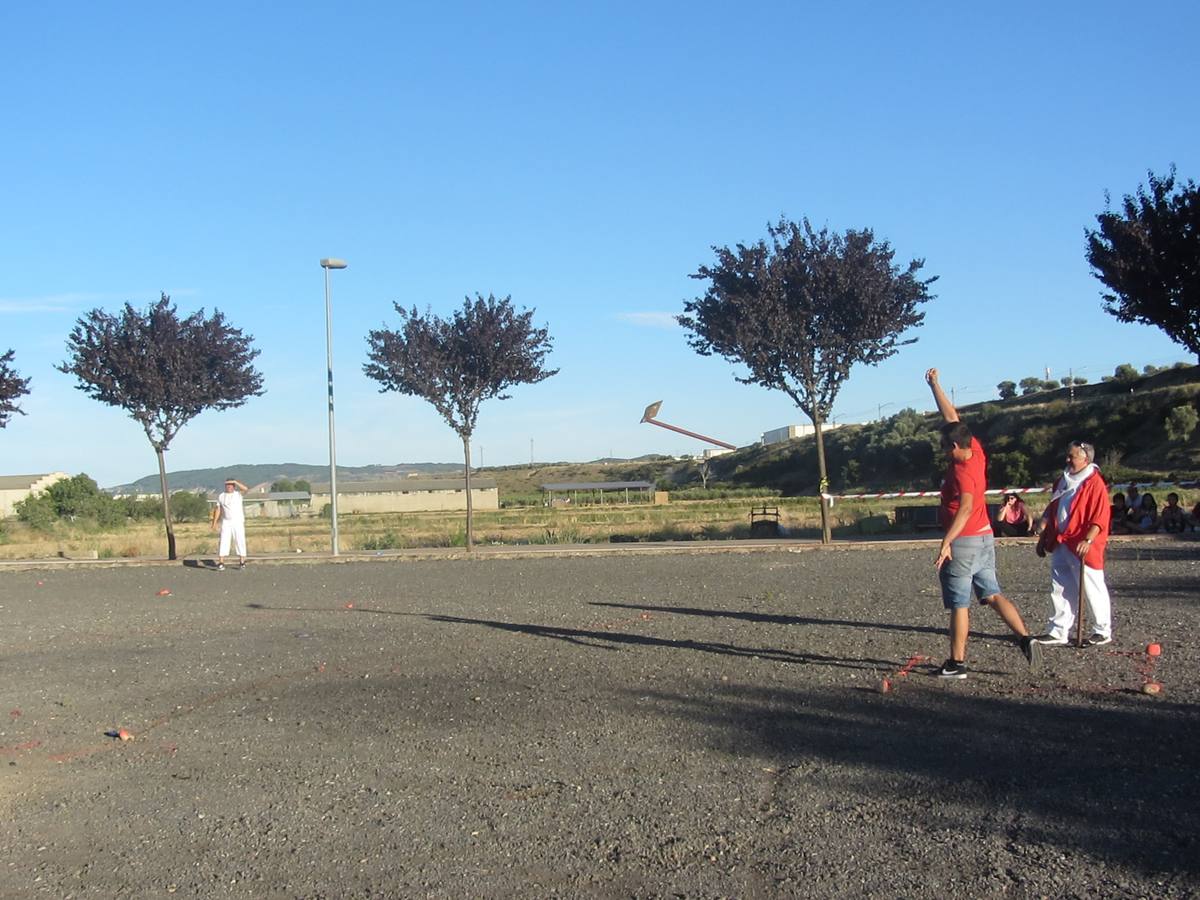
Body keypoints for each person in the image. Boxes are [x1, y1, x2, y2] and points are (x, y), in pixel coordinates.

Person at [926, 368, 1040, 679]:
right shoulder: (974, 448)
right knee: (992, 594)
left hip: (964, 541)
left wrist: (946, 542)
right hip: (986, 537)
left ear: (953, 448)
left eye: (945, 447)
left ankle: (956, 663)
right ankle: (1025, 637)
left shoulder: (962, 471)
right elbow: (952, 416)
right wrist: (935, 384)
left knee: (959, 604)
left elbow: (964, 509)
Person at [1033, 441, 1113, 646]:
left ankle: (1102, 630)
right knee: (1060, 586)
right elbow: (1053, 508)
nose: (1068, 460)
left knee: (1092, 586)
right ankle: (1058, 630)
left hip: (1082, 542)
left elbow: (1100, 516)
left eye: (1072, 456)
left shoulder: (1094, 483)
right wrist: (1044, 535)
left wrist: (1088, 539)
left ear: (1085, 458)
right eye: (1068, 456)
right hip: (1061, 540)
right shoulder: (1063, 480)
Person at [211, 478, 249, 570]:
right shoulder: (221, 496)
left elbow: (246, 489)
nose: (229, 487)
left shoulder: (238, 495)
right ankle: (221, 562)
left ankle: (242, 561)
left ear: (234, 486)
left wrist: (235, 481)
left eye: (231, 485)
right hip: (226, 522)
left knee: (239, 540)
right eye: (227, 485)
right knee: (223, 541)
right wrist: (214, 523)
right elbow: (218, 509)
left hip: (238, 521)